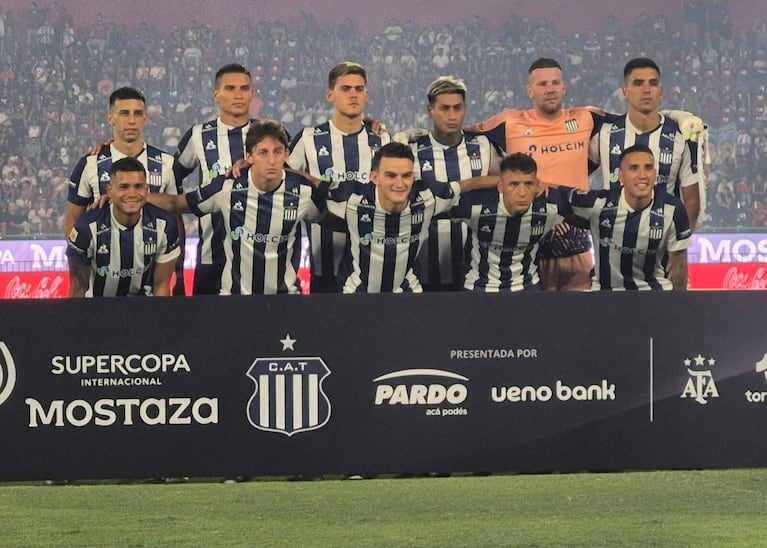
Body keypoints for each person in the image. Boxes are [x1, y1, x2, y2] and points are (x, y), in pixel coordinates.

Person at [146, 120, 326, 295]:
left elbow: (331, 220)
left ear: (286, 154)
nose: (271, 160)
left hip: (286, 299)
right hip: (234, 300)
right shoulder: (227, 187)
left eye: (277, 152)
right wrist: (134, 197)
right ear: (249, 156)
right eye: (263, 153)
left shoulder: (303, 192)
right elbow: (176, 203)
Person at [471, 58, 598, 292]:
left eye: (555, 83)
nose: (550, 89)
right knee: (536, 317)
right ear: (530, 90)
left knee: (579, 316)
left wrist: (679, 117)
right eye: (542, 84)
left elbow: (631, 121)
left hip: (574, 235)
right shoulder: (509, 122)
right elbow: (459, 134)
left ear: (564, 87)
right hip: (529, 236)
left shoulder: (586, 117)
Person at [321, 141, 496, 293]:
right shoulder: (351, 198)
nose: (400, 183)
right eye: (391, 175)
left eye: (406, 176)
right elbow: (313, 188)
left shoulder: (428, 196)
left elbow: (466, 185)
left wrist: (505, 181)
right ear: (375, 178)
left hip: (407, 294)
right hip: (355, 294)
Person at [65, 87, 184, 293]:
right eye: (124, 113)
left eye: (138, 114)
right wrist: (82, 258)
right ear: (110, 118)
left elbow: (176, 221)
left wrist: (178, 272)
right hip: (101, 285)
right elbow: (73, 219)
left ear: (145, 119)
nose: (131, 120)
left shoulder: (166, 164)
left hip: (149, 286)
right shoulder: (90, 164)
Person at [288, 61, 391, 292]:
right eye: (345, 89)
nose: (353, 95)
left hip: (372, 267)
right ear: (330, 94)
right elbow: (281, 175)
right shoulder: (308, 138)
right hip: (323, 264)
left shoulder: (382, 139)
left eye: (359, 89)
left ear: (366, 95)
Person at [406, 75, 502, 291]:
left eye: (457, 108)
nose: (452, 115)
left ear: (465, 109)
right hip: (423, 268)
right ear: (430, 110)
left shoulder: (483, 146)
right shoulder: (412, 150)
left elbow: (503, 185)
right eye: (444, 108)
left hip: (476, 270)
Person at [557, 144, 691, 291]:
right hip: (606, 296)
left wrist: (681, 307)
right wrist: (539, 186)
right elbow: (558, 195)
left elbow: (679, 266)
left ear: (654, 173)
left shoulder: (673, 209)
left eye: (648, 168)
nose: (642, 175)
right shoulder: (599, 203)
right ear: (621, 176)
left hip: (654, 294)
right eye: (634, 168)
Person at [589, 57, 702, 231]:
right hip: (613, 244)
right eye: (638, 83)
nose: (646, 89)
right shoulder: (604, 135)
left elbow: (692, 200)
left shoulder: (680, 137)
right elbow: (576, 175)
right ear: (625, 91)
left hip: (661, 247)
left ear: (661, 91)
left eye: (653, 83)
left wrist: (677, 244)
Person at [174, 63, 256, 295]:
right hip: (211, 255)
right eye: (230, 88)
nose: (238, 95)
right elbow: (171, 179)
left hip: (259, 258)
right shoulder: (199, 135)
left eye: (244, 88)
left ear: (252, 93)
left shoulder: (267, 134)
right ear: (216, 94)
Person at [66, 157, 180, 297]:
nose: (132, 194)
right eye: (124, 187)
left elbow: (161, 287)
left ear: (146, 189)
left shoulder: (165, 225)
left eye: (138, 186)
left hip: (144, 308)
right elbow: (78, 289)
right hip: (96, 309)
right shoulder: (86, 228)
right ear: (109, 191)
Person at [451, 153, 565, 291]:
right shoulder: (475, 207)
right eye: (513, 184)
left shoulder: (551, 207)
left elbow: (588, 202)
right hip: (479, 287)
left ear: (537, 185)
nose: (522, 193)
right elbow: (441, 196)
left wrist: (550, 185)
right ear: (500, 187)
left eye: (529, 184)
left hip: (528, 287)